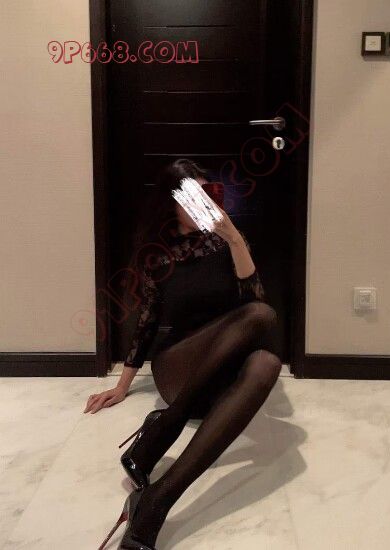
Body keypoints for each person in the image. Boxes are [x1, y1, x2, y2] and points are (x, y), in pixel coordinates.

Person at [90, 159, 283, 550]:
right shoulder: (158, 254)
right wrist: (123, 385)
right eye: (189, 196)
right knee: (262, 318)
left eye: (205, 194)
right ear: (171, 202)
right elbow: (146, 323)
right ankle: (168, 423)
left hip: (220, 372)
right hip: (178, 367)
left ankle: (156, 496)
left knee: (266, 359)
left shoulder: (224, 240)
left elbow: (255, 302)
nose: (199, 205)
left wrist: (234, 238)